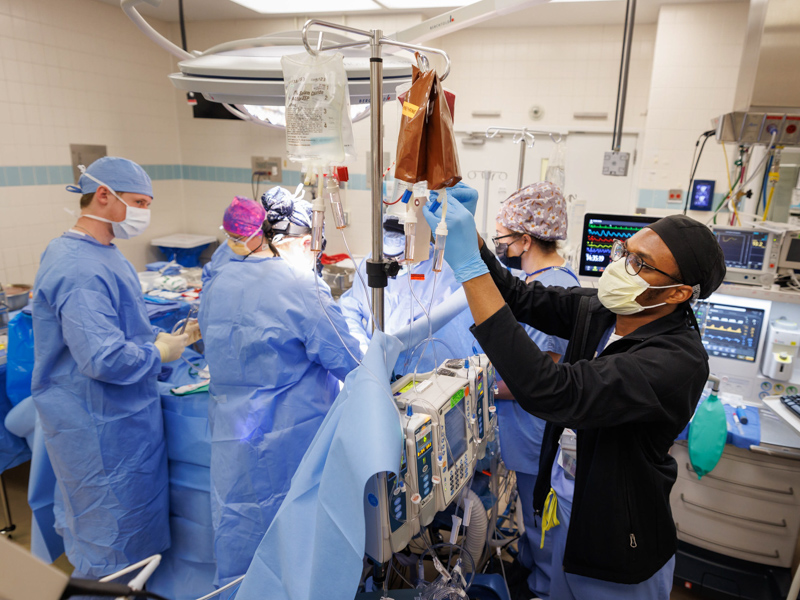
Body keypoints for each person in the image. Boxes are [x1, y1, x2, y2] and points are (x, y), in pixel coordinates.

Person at [422, 198, 725, 600]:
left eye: (641, 263)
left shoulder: (675, 361)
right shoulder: (601, 311)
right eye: (624, 252)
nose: (619, 266)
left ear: (678, 293)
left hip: (618, 537)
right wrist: (475, 243)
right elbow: (520, 297)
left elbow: (552, 389)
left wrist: (469, 270)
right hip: (569, 504)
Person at [31, 157, 199, 579]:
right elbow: (102, 357)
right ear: (103, 195)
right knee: (109, 541)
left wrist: (160, 343)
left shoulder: (103, 253)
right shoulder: (78, 267)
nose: (144, 213)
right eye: (139, 202)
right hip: (98, 428)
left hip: (123, 417)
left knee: (131, 537)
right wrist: (158, 354)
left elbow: (120, 327)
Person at [198, 195, 361, 586]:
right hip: (290, 443)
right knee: (295, 546)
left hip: (231, 440)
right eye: (307, 243)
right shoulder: (300, 285)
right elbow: (349, 360)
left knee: (241, 537)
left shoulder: (218, 279)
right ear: (282, 240)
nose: (310, 252)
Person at [491, 182, 579, 600]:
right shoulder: (542, 280)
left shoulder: (553, 290)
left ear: (526, 240)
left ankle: (542, 590)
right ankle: (528, 574)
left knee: (540, 521)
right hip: (528, 431)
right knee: (531, 519)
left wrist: (479, 389)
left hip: (534, 434)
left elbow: (539, 375)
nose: (500, 248)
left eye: (503, 241)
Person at [339, 182, 479, 375]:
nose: (394, 264)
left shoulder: (443, 271)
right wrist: (364, 351)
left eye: (400, 258)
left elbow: (450, 332)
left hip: (423, 376)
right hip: (373, 368)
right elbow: (351, 308)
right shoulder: (372, 262)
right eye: (388, 258)